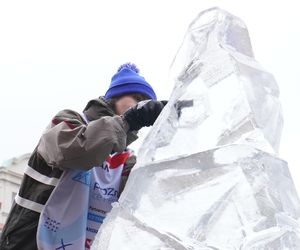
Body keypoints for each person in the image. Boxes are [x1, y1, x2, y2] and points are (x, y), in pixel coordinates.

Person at [0, 63, 167, 250]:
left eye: (146, 102)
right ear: (114, 96)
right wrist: (127, 121)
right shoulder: (67, 121)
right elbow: (74, 151)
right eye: (137, 98)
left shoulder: (126, 158)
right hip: (30, 241)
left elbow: (143, 196)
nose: (141, 104)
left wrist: (169, 141)